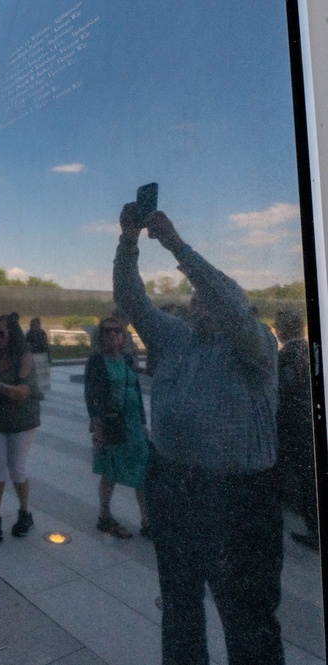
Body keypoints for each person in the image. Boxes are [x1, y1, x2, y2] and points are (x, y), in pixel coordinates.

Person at [112, 203, 283, 664]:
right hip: (176, 489)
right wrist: (128, 242)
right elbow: (132, 301)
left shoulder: (255, 345)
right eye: (196, 298)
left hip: (239, 501)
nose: (197, 302)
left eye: (206, 298)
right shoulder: (176, 338)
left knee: (247, 619)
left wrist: (175, 245)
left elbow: (228, 301)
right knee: (181, 610)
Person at [83, 317, 150, 539]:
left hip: (133, 424)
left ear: (123, 335)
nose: (113, 334)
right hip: (112, 424)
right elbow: (91, 395)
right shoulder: (97, 362)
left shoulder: (127, 359)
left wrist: (142, 422)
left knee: (143, 470)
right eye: (107, 331)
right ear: (100, 336)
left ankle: (147, 520)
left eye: (117, 331)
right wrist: (97, 426)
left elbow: (136, 391)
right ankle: (104, 516)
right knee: (111, 470)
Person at [0, 312, 40, 542]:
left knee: (17, 469)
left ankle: (25, 513)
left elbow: (22, 393)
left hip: (22, 420)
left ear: (12, 335)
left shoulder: (24, 357)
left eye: (1, 334)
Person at [273, 310, 319, 551]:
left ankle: (315, 531)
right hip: (308, 423)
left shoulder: (285, 357)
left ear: (283, 331)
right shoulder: (309, 350)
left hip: (293, 428)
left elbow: (282, 394)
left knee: (303, 480)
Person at [25, 317, 52, 393]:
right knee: (36, 374)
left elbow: (46, 344)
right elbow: (27, 345)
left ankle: (41, 390)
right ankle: (36, 389)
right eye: (38, 323)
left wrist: (48, 356)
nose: (39, 325)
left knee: (42, 374)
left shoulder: (42, 332)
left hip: (43, 355)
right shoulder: (29, 333)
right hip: (35, 356)